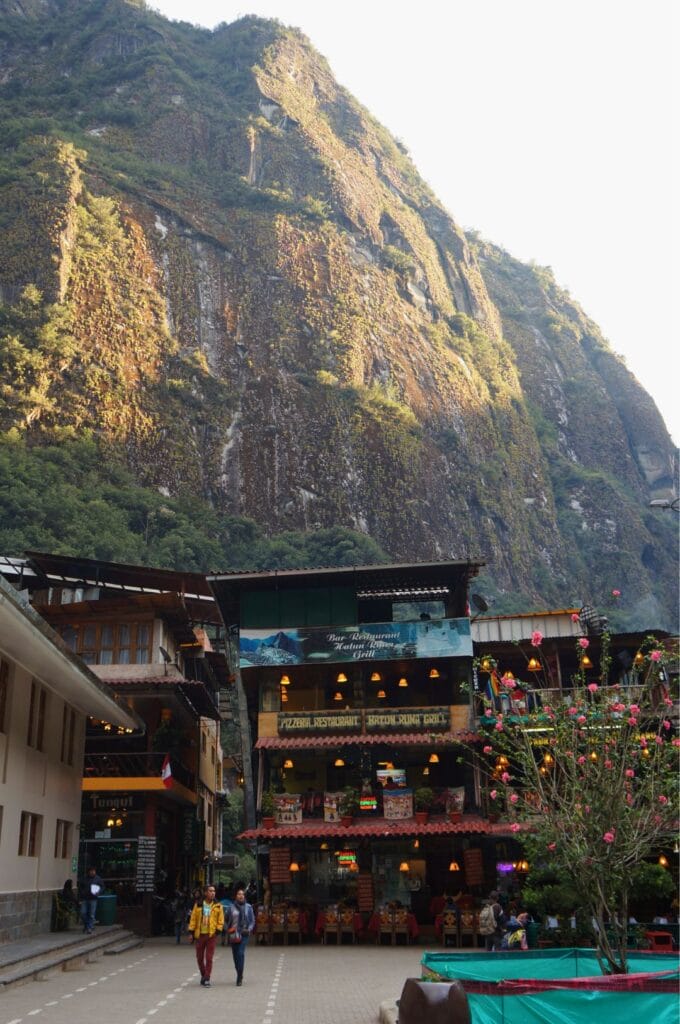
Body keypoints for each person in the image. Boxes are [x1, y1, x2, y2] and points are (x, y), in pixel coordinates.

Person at [188, 884, 224, 987]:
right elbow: (193, 919)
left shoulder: (218, 905)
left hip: (211, 935)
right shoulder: (198, 904)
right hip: (200, 935)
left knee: (209, 958)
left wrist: (218, 931)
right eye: (210, 891)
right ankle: (203, 975)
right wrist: (191, 932)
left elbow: (221, 920)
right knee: (199, 958)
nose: (213, 893)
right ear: (205, 893)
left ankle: (207, 978)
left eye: (214, 891)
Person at [227, 887, 255, 987]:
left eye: (242, 894)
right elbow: (226, 920)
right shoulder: (231, 907)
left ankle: (239, 977)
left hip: (244, 933)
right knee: (235, 957)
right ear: (236, 896)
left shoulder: (249, 907)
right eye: (239, 894)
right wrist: (228, 929)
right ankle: (239, 973)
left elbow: (252, 921)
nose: (241, 895)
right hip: (234, 934)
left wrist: (249, 929)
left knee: (240, 953)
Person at [79, 866, 103, 935]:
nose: (93, 872)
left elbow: (102, 887)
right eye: (91, 871)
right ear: (88, 872)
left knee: (92, 914)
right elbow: (80, 887)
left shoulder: (98, 879)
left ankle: (89, 927)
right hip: (85, 898)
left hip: (93, 898)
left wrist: (99, 892)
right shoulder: (84, 878)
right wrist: (81, 895)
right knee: (83, 913)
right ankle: (87, 925)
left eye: (94, 871)